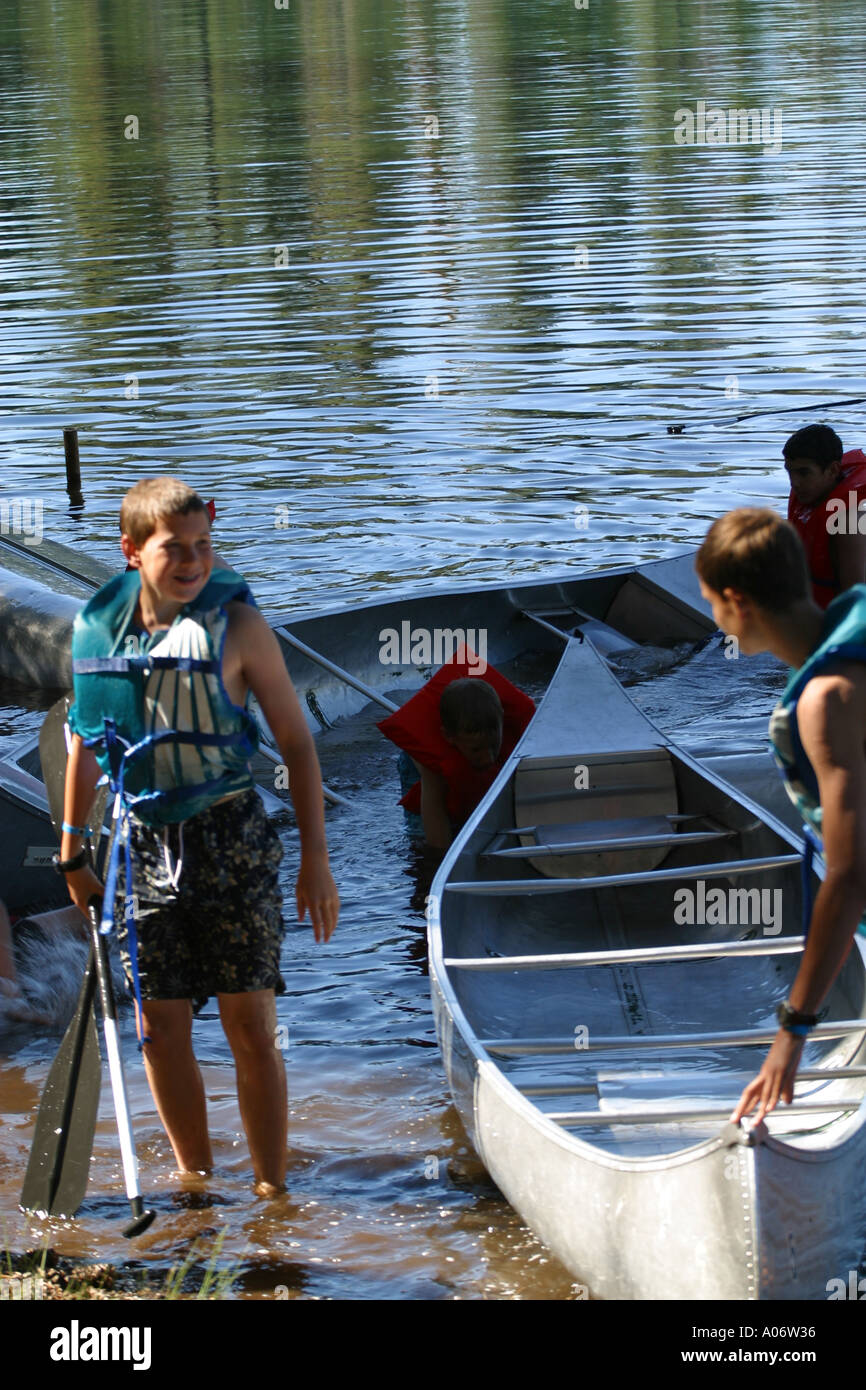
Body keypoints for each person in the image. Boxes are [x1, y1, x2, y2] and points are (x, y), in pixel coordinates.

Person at [59, 477, 339, 1196]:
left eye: (203, 546)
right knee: (160, 1026)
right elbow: (86, 744)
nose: (192, 561)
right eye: (173, 549)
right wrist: (70, 852)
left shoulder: (239, 629)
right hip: (141, 843)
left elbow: (298, 746)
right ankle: (194, 1181)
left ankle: (272, 1192)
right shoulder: (101, 635)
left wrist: (316, 858)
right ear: (130, 553)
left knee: (250, 1022)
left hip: (230, 837)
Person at [695, 507, 866, 1123]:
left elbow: (849, 875)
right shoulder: (855, 633)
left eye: (712, 603)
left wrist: (793, 1031)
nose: (715, 621)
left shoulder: (826, 700)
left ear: (738, 601)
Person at [783, 424, 866, 608]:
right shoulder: (809, 499)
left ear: (833, 471)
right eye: (790, 471)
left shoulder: (850, 521)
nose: (794, 482)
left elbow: (856, 604)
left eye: (803, 473)